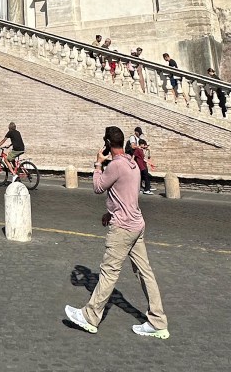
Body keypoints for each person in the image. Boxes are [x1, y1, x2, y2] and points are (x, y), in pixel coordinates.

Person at [64, 126, 169, 338]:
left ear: (107, 144)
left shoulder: (115, 165)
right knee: (145, 273)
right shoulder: (132, 164)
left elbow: (98, 187)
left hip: (122, 228)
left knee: (109, 272)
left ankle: (90, 317)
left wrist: (97, 164)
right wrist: (109, 212)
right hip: (136, 224)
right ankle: (158, 321)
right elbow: (125, 195)